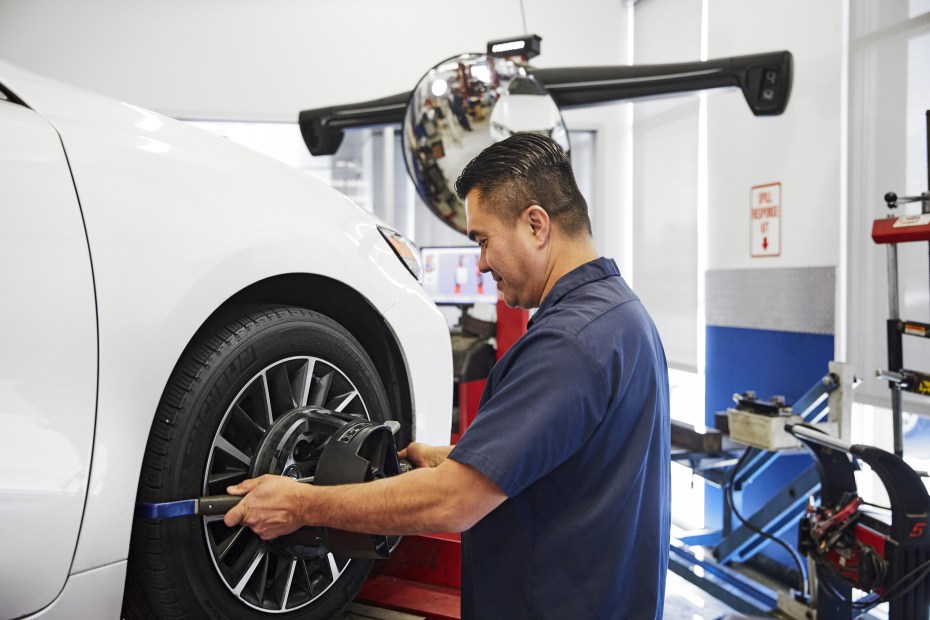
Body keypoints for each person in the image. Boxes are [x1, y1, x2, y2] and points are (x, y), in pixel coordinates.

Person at [224, 132, 671, 619]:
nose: (480, 264)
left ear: (536, 225)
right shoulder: (621, 316)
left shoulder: (569, 343)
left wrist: (303, 505)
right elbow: (574, 460)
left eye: (483, 240)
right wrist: (459, 458)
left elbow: (455, 504)